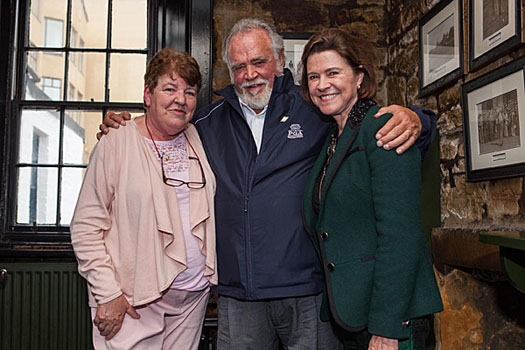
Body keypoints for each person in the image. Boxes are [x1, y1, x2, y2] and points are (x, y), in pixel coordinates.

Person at [98, 18, 437, 349]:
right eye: (238, 67)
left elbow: (372, 129)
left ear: (278, 61)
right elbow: (164, 125)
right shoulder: (207, 121)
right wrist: (123, 126)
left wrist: (418, 120)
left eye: (259, 62)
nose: (250, 75)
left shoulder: (314, 107)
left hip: (308, 290)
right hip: (238, 295)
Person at [301, 28, 443, 350]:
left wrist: (387, 327)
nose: (322, 84)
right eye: (313, 77)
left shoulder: (385, 128)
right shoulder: (333, 139)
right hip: (353, 315)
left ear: (359, 76)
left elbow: (401, 236)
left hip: (390, 320)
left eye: (333, 73)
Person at [70, 48, 217, 350]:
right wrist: (107, 293)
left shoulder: (197, 136)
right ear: (148, 95)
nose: (181, 99)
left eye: (190, 92)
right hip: (134, 302)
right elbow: (85, 228)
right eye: (169, 88)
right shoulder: (117, 141)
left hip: (192, 299)